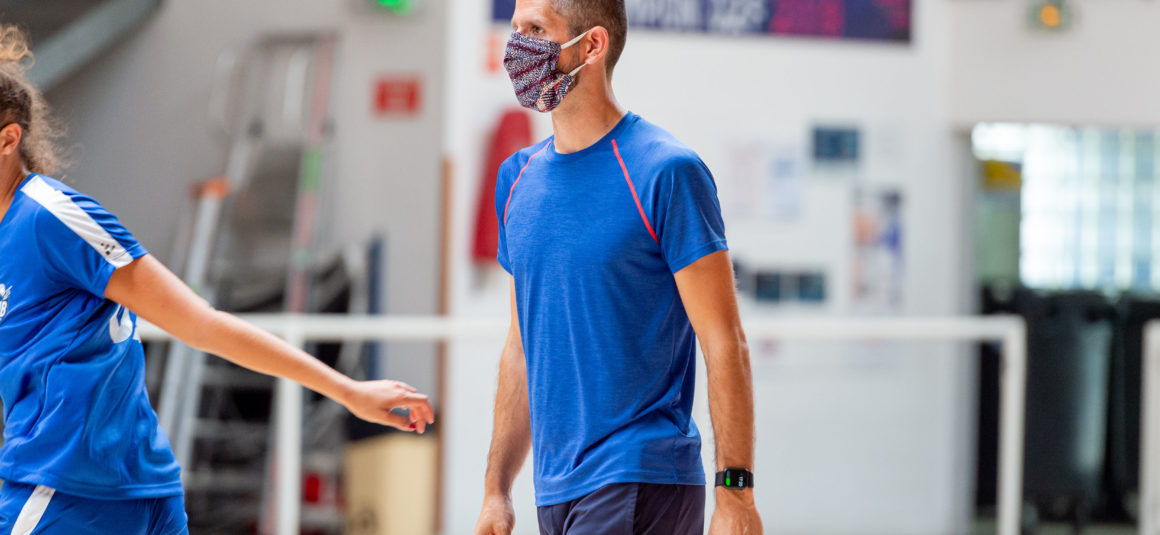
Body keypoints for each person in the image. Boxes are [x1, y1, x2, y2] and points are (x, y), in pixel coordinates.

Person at [0, 26, 434, 534]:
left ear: (10, 138)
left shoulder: (51, 218)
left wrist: (347, 390)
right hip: (98, 484)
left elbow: (201, 324)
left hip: (76, 489)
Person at [473, 1, 764, 534]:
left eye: (536, 30)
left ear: (593, 45)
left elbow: (724, 339)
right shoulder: (516, 179)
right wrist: (497, 490)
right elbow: (520, 347)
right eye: (515, 29)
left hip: (639, 473)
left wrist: (735, 492)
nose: (518, 46)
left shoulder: (666, 171)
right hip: (556, 487)